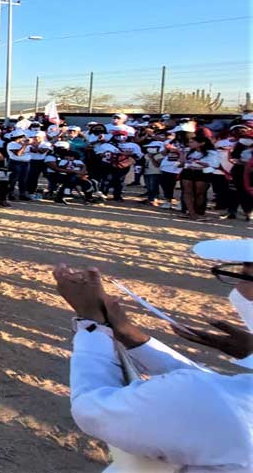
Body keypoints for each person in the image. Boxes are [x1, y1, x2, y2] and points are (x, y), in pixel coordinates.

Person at [52, 252, 253, 472]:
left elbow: (91, 408)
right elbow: (217, 389)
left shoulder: (213, 400)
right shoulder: (226, 396)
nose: (239, 290)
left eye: (245, 276)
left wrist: (91, 323)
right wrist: (133, 338)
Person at [181, 135, 222, 220]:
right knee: (187, 192)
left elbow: (214, 165)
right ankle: (191, 212)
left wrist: (199, 164)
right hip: (188, 172)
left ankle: (197, 211)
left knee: (199, 193)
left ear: (202, 143)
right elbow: (181, 162)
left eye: (192, 142)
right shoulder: (189, 151)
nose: (190, 144)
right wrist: (181, 154)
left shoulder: (212, 153)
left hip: (202, 173)